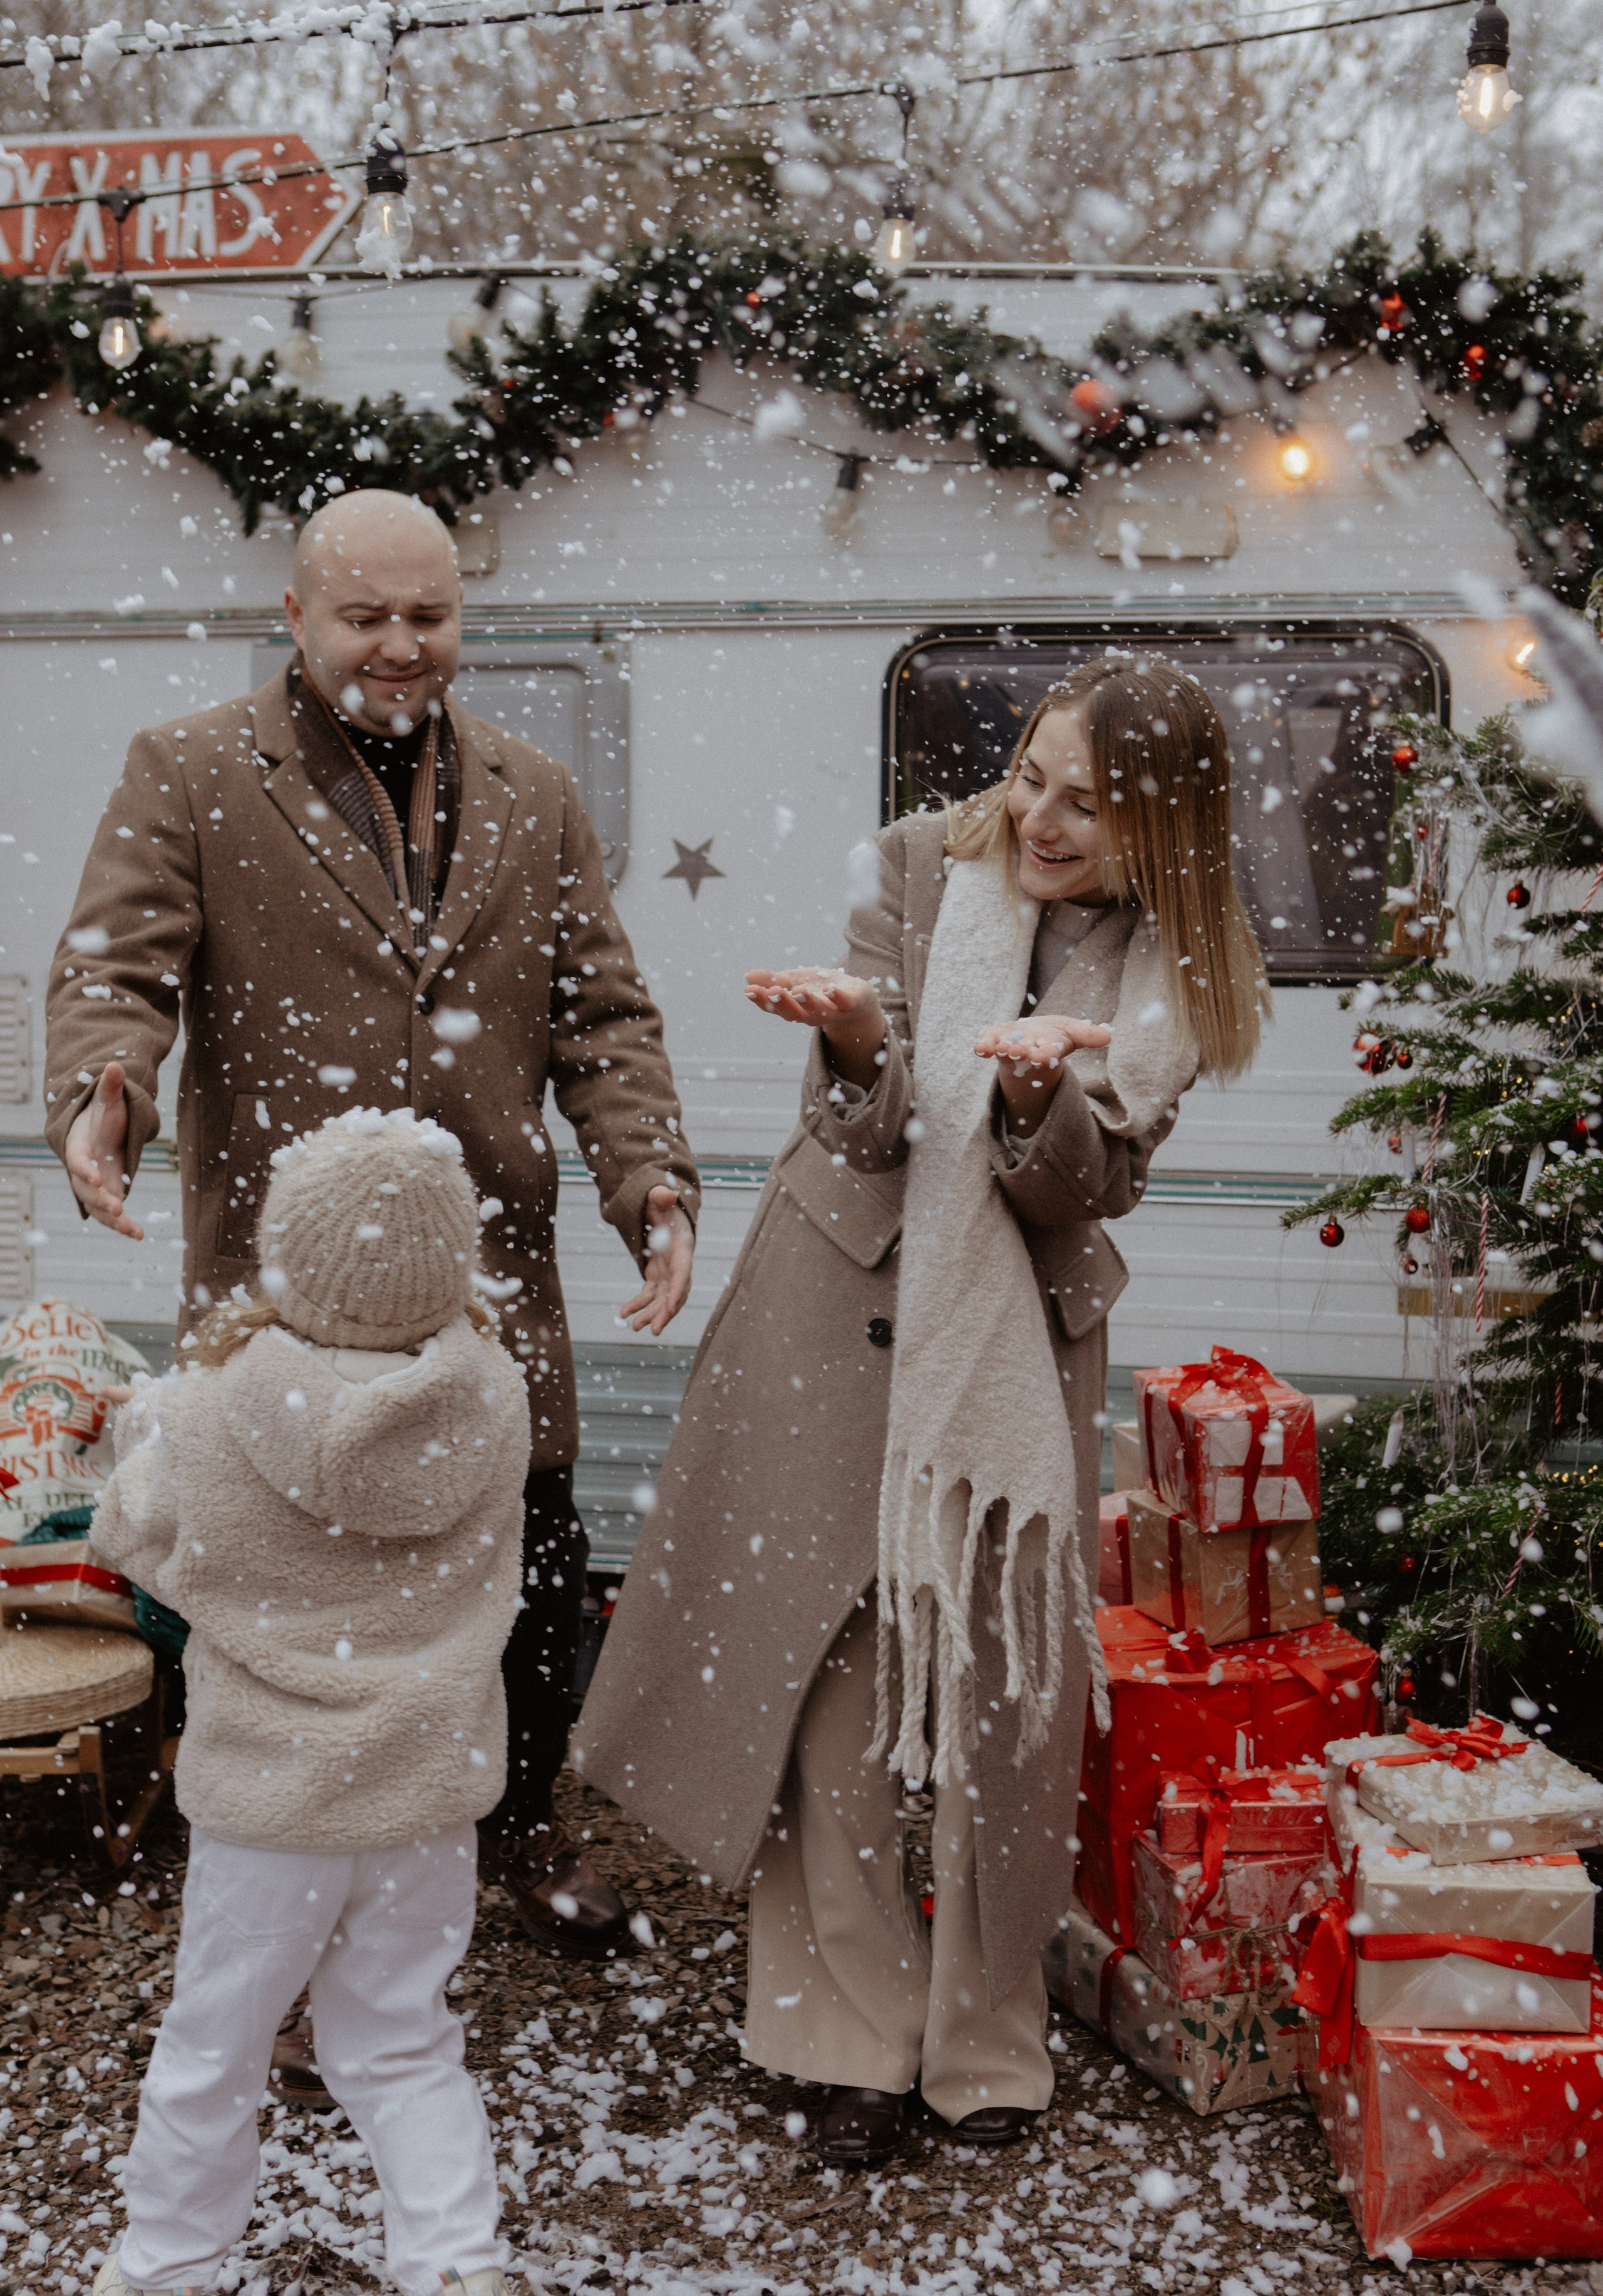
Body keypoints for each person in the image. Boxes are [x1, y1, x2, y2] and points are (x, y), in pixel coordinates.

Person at [574, 653, 1266, 2166]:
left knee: (999, 1703)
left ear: (1161, 828)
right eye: (1031, 773)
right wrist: (856, 1041)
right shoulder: (915, 864)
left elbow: (1090, 1189)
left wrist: (1032, 1100)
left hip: (1010, 1344)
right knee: (832, 1687)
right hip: (830, 1315)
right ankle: (846, 2036)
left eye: (1089, 801)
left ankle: (982, 2041)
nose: (1041, 815)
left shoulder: (1175, 973)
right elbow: (865, 1128)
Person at [44, 488, 699, 1988]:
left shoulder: (534, 791)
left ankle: (515, 1829)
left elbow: (602, 1016)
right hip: (287, 1297)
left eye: (430, 616)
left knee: (529, 1563)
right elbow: (113, 974)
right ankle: (286, 1899)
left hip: (489, 1287)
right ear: (294, 617)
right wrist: (105, 1092)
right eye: (366, 617)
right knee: (297, 1598)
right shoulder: (191, 772)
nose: (403, 648)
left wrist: (646, 1178)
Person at [90, 1107, 530, 2296]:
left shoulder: (209, 1407)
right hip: (423, 1790)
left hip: (266, 1802)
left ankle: (169, 2264)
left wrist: (140, 1440)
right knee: (398, 2040)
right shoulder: (492, 1396)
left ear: (288, 1249)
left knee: (217, 2043)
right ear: (451, 1258)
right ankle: (454, 2264)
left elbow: (135, 1532)